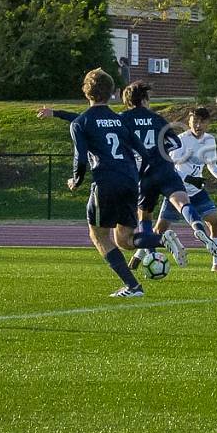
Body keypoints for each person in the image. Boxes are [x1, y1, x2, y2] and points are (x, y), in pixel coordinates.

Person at [39, 82, 217, 269]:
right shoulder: (157, 118)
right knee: (183, 202)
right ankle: (198, 229)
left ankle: (152, 255)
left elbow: (87, 121)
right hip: (165, 169)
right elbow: (176, 143)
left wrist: (56, 113)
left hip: (143, 175)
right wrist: (161, 150)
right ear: (144, 99)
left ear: (127, 101)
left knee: (145, 218)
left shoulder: (122, 119)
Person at [65, 68, 180, 298]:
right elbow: (145, 153)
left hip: (106, 181)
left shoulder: (81, 122)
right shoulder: (120, 121)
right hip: (130, 181)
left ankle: (133, 286)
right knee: (124, 240)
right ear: (112, 94)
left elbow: (80, 158)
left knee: (98, 236)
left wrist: (75, 181)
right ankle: (160, 239)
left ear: (86, 92)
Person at [151, 107, 217, 272]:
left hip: (197, 192)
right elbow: (172, 167)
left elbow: (211, 163)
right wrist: (190, 179)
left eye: (202, 122)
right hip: (178, 191)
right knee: (159, 230)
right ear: (188, 122)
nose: (198, 125)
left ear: (208, 123)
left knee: (215, 224)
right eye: (194, 121)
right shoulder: (181, 139)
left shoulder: (210, 140)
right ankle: (141, 257)